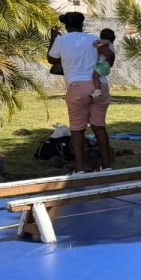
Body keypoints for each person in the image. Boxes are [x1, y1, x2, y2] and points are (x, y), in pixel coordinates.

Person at [47, 11, 115, 173]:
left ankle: (80, 169)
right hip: (100, 86)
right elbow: (109, 57)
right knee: (99, 127)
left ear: (66, 25)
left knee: (77, 130)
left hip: (77, 87)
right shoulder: (93, 39)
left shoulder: (61, 40)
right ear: (82, 25)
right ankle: (106, 166)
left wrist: (53, 38)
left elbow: (51, 58)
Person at [90, 29, 116, 99]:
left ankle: (98, 91)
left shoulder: (107, 42)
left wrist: (97, 42)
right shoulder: (110, 46)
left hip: (103, 64)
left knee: (95, 76)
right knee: (96, 76)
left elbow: (105, 42)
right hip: (104, 64)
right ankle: (98, 90)